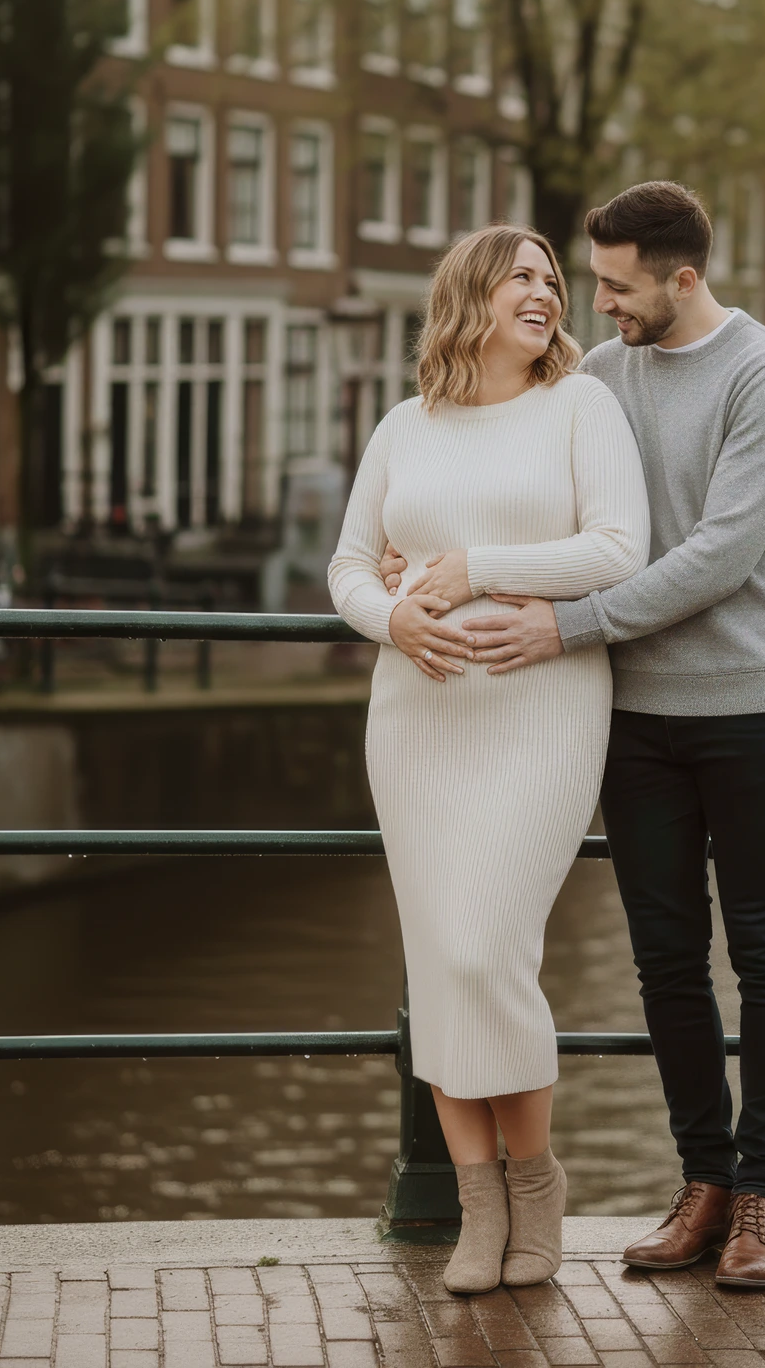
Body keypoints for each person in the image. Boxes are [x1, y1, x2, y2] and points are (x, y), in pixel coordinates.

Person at [383, 181, 765, 1289]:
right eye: (592, 285)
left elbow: (718, 553)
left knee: (761, 948)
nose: (599, 306)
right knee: (664, 962)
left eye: (619, 288)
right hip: (630, 710)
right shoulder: (600, 377)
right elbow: (511, 484)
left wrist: (568, 624)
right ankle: (702, 1183)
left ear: (681, 278)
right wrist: (409, 566)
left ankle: (762, 1196)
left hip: (752, 701)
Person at [327, 223, 649, 1297]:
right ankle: (479, 1205)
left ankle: (539, 1185)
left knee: (484, 947)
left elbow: (615, 550)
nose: (546, 292)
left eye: (553, 280)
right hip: (415, 720)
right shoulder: (403, 427)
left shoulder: (580, 406)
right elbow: (345, 564)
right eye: (523, 275)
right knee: (437, 958)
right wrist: (391, 621)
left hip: (540, 710)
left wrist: (469, 571)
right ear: (469, 292)